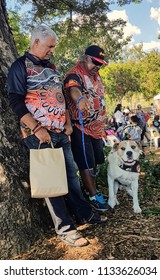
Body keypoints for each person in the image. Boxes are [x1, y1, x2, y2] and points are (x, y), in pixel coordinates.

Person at [8, 25, 107, 248]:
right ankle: (65, 230)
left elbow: (59, 96)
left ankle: (83, 214)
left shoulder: (51, 66)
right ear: (35, 43)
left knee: (71, 175)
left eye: (53, 46)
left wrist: (68, 122)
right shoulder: (20, 66)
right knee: (51, 182)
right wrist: (36, 128)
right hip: (40, 134)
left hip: (61, 131)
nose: (52, 50)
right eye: (49, 46)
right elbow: (14, 100)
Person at [63, 45, 109, 212]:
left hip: (97, 129)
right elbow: (73, 88)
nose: (97, 66)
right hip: (81, 129)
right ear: (85, 57)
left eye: (100, 63)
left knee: (96, 161)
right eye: (95, 62)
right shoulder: (74, 74)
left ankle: (94, 190)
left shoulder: (96, 75)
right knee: (86, 164)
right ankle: (92, 196)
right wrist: (80, 98)